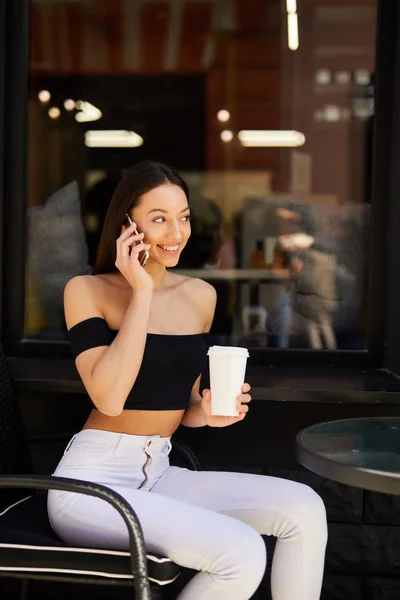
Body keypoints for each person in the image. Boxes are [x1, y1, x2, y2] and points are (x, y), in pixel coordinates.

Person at [47, 161, 328, 600]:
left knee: (305, 508)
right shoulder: (86, 291)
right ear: (127, 225)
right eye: (159, 219)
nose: (176, 232)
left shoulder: (200, 295)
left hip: (158, 471)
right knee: (241, 552)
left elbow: (186, 406)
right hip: (91, 485)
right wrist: (141, 291)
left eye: (183, 217)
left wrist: (208, 413)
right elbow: (110, 396)